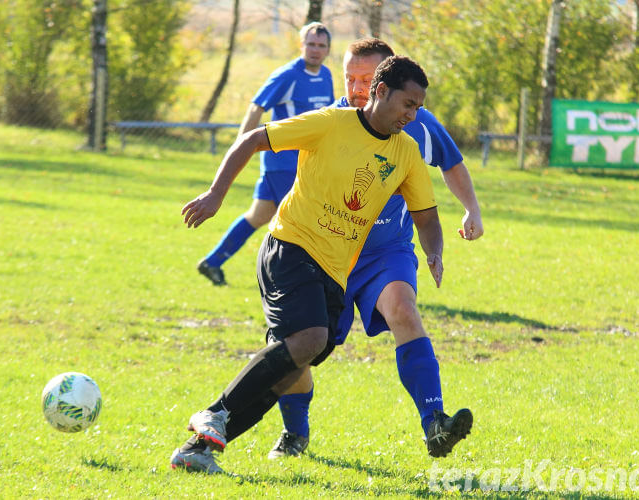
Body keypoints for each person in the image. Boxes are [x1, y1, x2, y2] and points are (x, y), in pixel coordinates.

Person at [171, 56, 467, 474]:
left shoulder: (405, 152)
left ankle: (197, 449)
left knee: (293, 366)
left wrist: (433, 250)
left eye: (418, 106)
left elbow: (427, 216)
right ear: (380, 91)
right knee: (308, 341)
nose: (412, 114)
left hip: (333, 271)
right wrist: (216, 195)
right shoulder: (331, 123)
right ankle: (216, 413)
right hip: (290, 247)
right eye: (407, 103)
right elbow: (253, 139)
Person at [267, 38, 483, 460]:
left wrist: (470, 209)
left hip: (387, 251)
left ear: (386, 78)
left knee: (404, 308)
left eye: (366, 78)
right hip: (326, 250)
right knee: (300, 347)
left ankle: (434, 423)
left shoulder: (415, 121)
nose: (356, 87)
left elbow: (451, 162)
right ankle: (295, 433)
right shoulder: (333, 120)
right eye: (349, 78)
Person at [196, 22, 334, 286]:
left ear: (328, 49)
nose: (315, 50)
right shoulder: (287, 75)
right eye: (311, 44)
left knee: (258, 216)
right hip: (283, 162)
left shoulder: (326, 75)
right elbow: (255, 108)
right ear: (301, 45)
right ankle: (300, 279)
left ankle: (212, 262)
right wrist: (242, 148)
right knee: (304, 223)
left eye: (321, 45)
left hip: (305, 162)